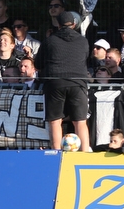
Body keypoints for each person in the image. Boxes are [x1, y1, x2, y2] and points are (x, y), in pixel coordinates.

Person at [35, 11, 91, 152]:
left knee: (55, 120)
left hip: (55, 82)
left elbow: (38, 63)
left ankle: (56, 153)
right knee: (80, 121)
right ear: (73, 24)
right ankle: (84, 154)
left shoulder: (50, 41)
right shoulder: (83, 41)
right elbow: (85, 59)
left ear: (58, 25)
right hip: (78, 83)